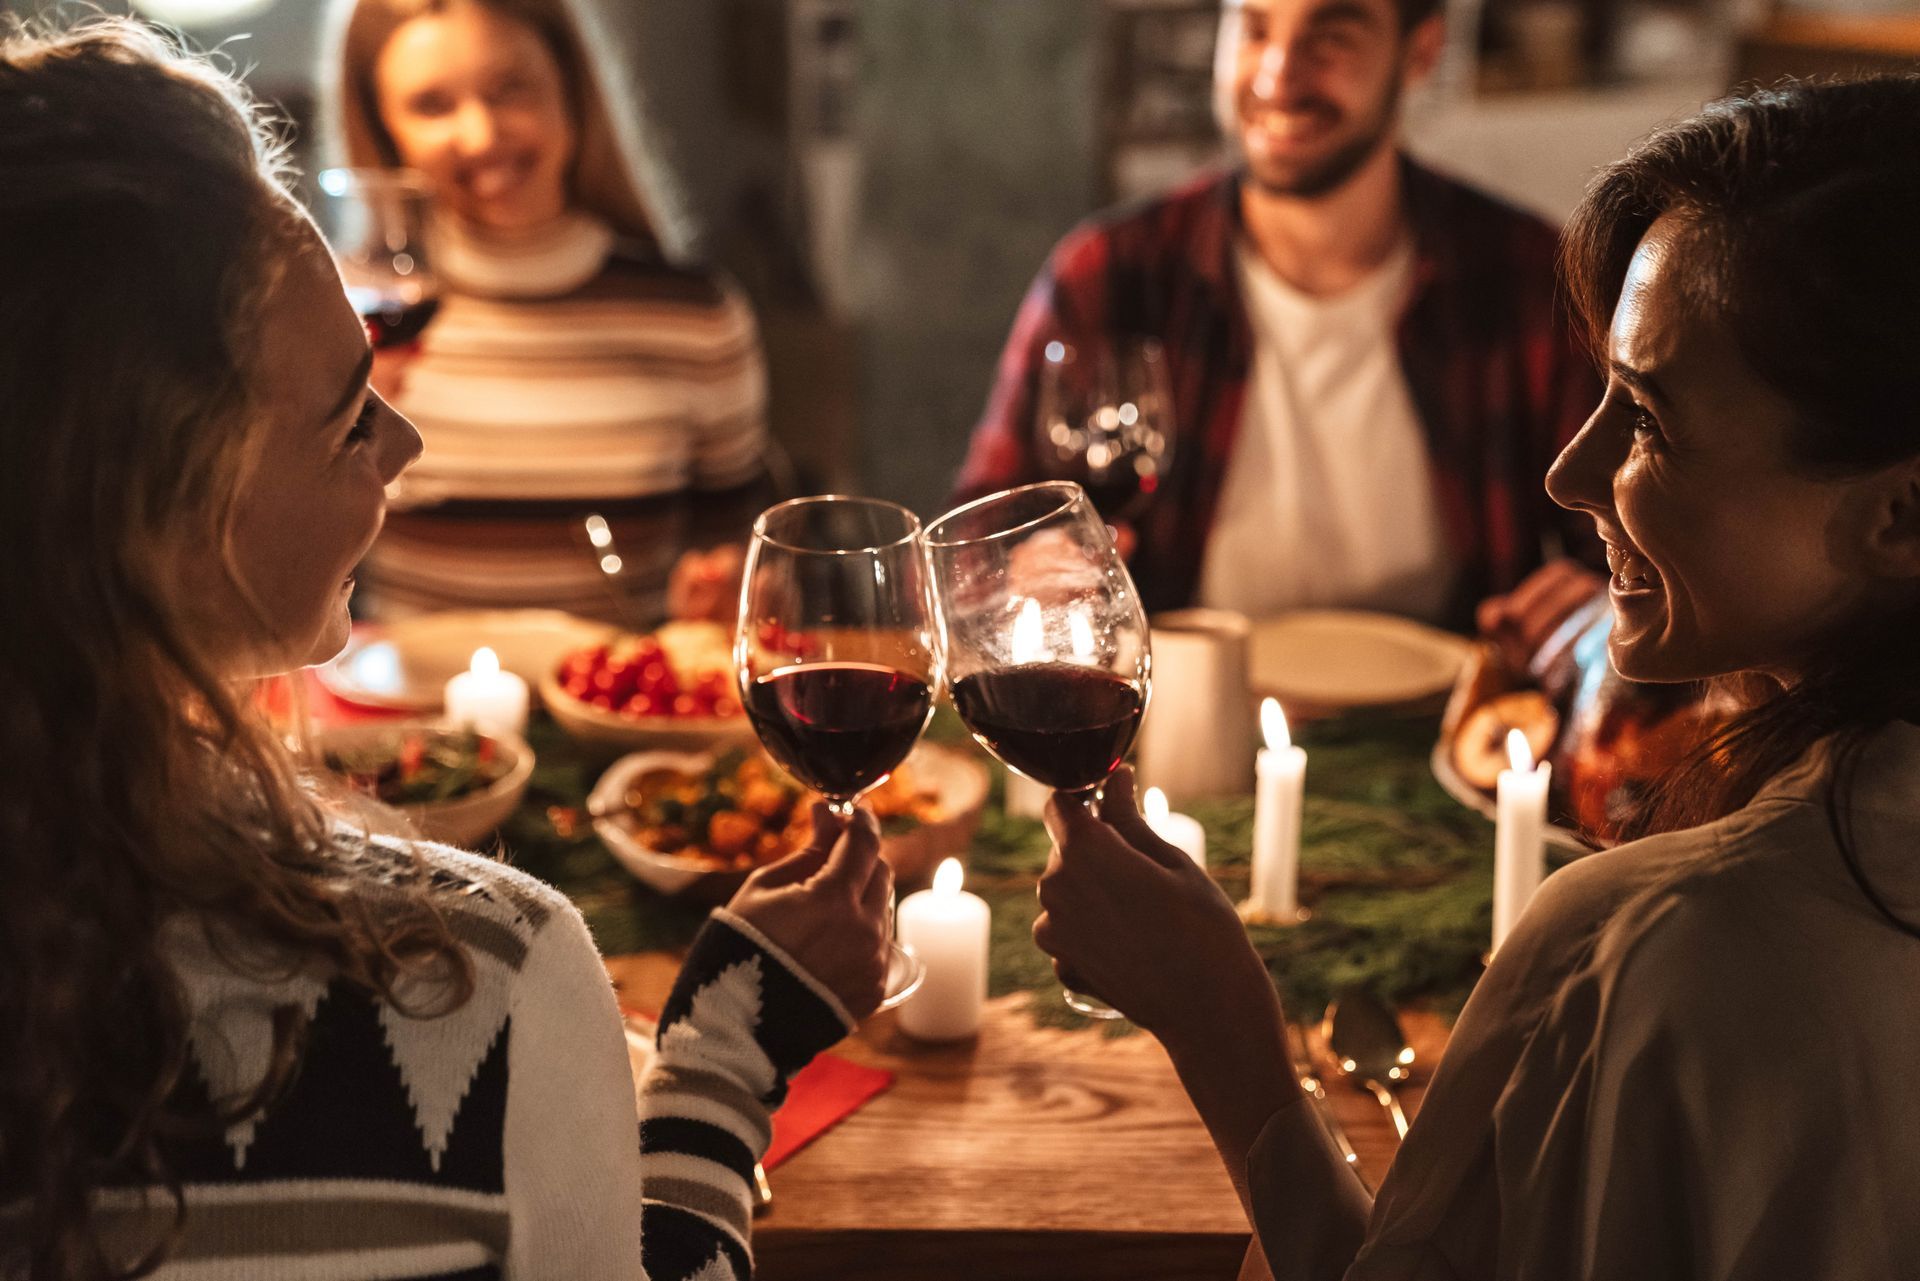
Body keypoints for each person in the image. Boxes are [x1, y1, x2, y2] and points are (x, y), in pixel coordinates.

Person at [0, 19, 888, 1280]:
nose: (404, 448)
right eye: (349, 418)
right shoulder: (468, 986)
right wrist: (726, 1058)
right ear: (174, 504)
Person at [1034, 76, 1920, 1279]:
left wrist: (1221, 1028)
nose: (1570, 470)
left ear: (1901, 512)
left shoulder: (1657, 947)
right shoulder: (1123, 261)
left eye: (1649, 420)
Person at [953, 0, 1603, 636]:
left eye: (1331, 36)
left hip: (1455, 726)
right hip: (1178, 720)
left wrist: (1601, 600)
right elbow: (973, 541)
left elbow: (1635, 546)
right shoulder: (1113, 272)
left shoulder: (1530, 274)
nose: (1277, 76)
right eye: (1255, 29)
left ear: (1420, 53)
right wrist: (1021, 567)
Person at [321, 0, 770, 620]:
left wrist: (730, 589)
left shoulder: (694, 315)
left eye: (510, 90)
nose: (481, 135)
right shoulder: (342, 318)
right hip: (400, 708)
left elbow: (746, 555)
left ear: (571, 88)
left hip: (617, 704)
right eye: (432, 105)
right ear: (382, 126)